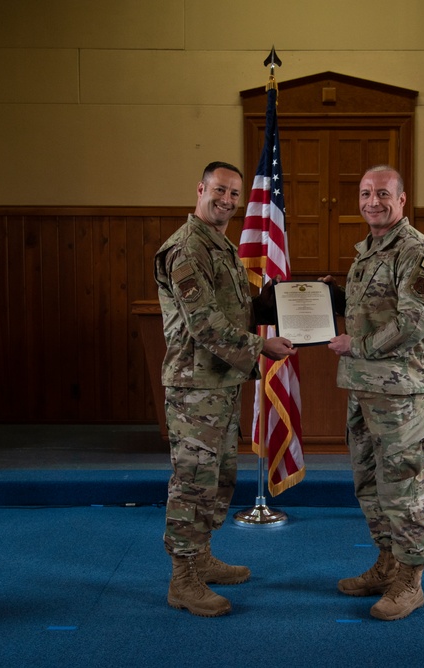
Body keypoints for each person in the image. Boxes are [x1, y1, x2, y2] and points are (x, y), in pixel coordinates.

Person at [154, 161, 296, 617]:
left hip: (221, 382)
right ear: (200, 189)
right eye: (220, 190)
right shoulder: (186, 248)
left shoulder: (219, 244)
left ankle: (201, 558)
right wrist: (261, 346)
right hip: (195, 387)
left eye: (235, 194)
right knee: (193, 484)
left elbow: (234, 310)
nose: (228, 200)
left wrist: (298, 301)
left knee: (219, 479)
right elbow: (203, 325)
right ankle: (183, 579)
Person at [322, 165, 424, 621]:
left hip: (399, 393)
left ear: (402, 200)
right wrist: (318, 297)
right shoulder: (369, 250)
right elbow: (367, 308)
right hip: (362, 387)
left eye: (382, 194)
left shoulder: (417, 252)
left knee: (404, 486)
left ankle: (411, 582)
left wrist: (359, 345)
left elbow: (414, 323)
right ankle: (387, 563)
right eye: (365, 193)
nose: (372, 201)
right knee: (369, 484)